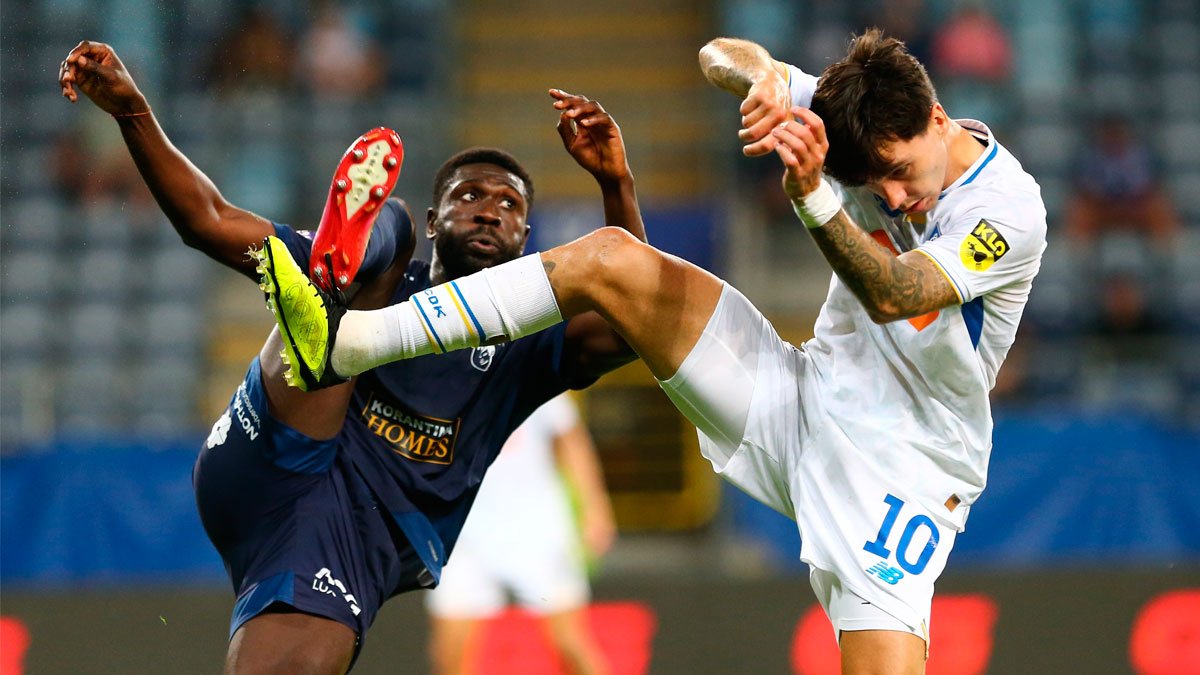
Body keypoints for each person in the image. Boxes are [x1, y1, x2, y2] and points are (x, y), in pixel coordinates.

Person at [261, 29, 1048, 674]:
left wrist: (814, 196)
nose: (897, 198)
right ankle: (351, 342)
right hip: (795, 391)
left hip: (903, 463)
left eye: (902, 174)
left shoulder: (1007, 210)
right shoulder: (858, 111)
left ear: (938, 118)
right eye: (876, 183)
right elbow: (718, 53)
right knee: (611, 259)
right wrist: (763, 76)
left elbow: (895, 292)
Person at [59, 40, 645, 674]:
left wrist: (615, 180)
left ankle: (326, 308)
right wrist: (133, 112)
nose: (488, 212)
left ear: (526, 239)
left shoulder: (528, 347)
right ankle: (338, 274)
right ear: (440, 218)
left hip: (354, 531)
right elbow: (209, 220)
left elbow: (631, 316)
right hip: (277, 450)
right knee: (389, 237)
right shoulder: (398, 272)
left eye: (509, 206)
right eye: (470, 196)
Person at [425, 394, 615, 675]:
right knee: (449, 653)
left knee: (570, 643)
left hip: (537, 528)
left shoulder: (536, 367)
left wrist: (595, 507)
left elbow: (570, 438)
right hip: (466, 529)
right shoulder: (442, 379)